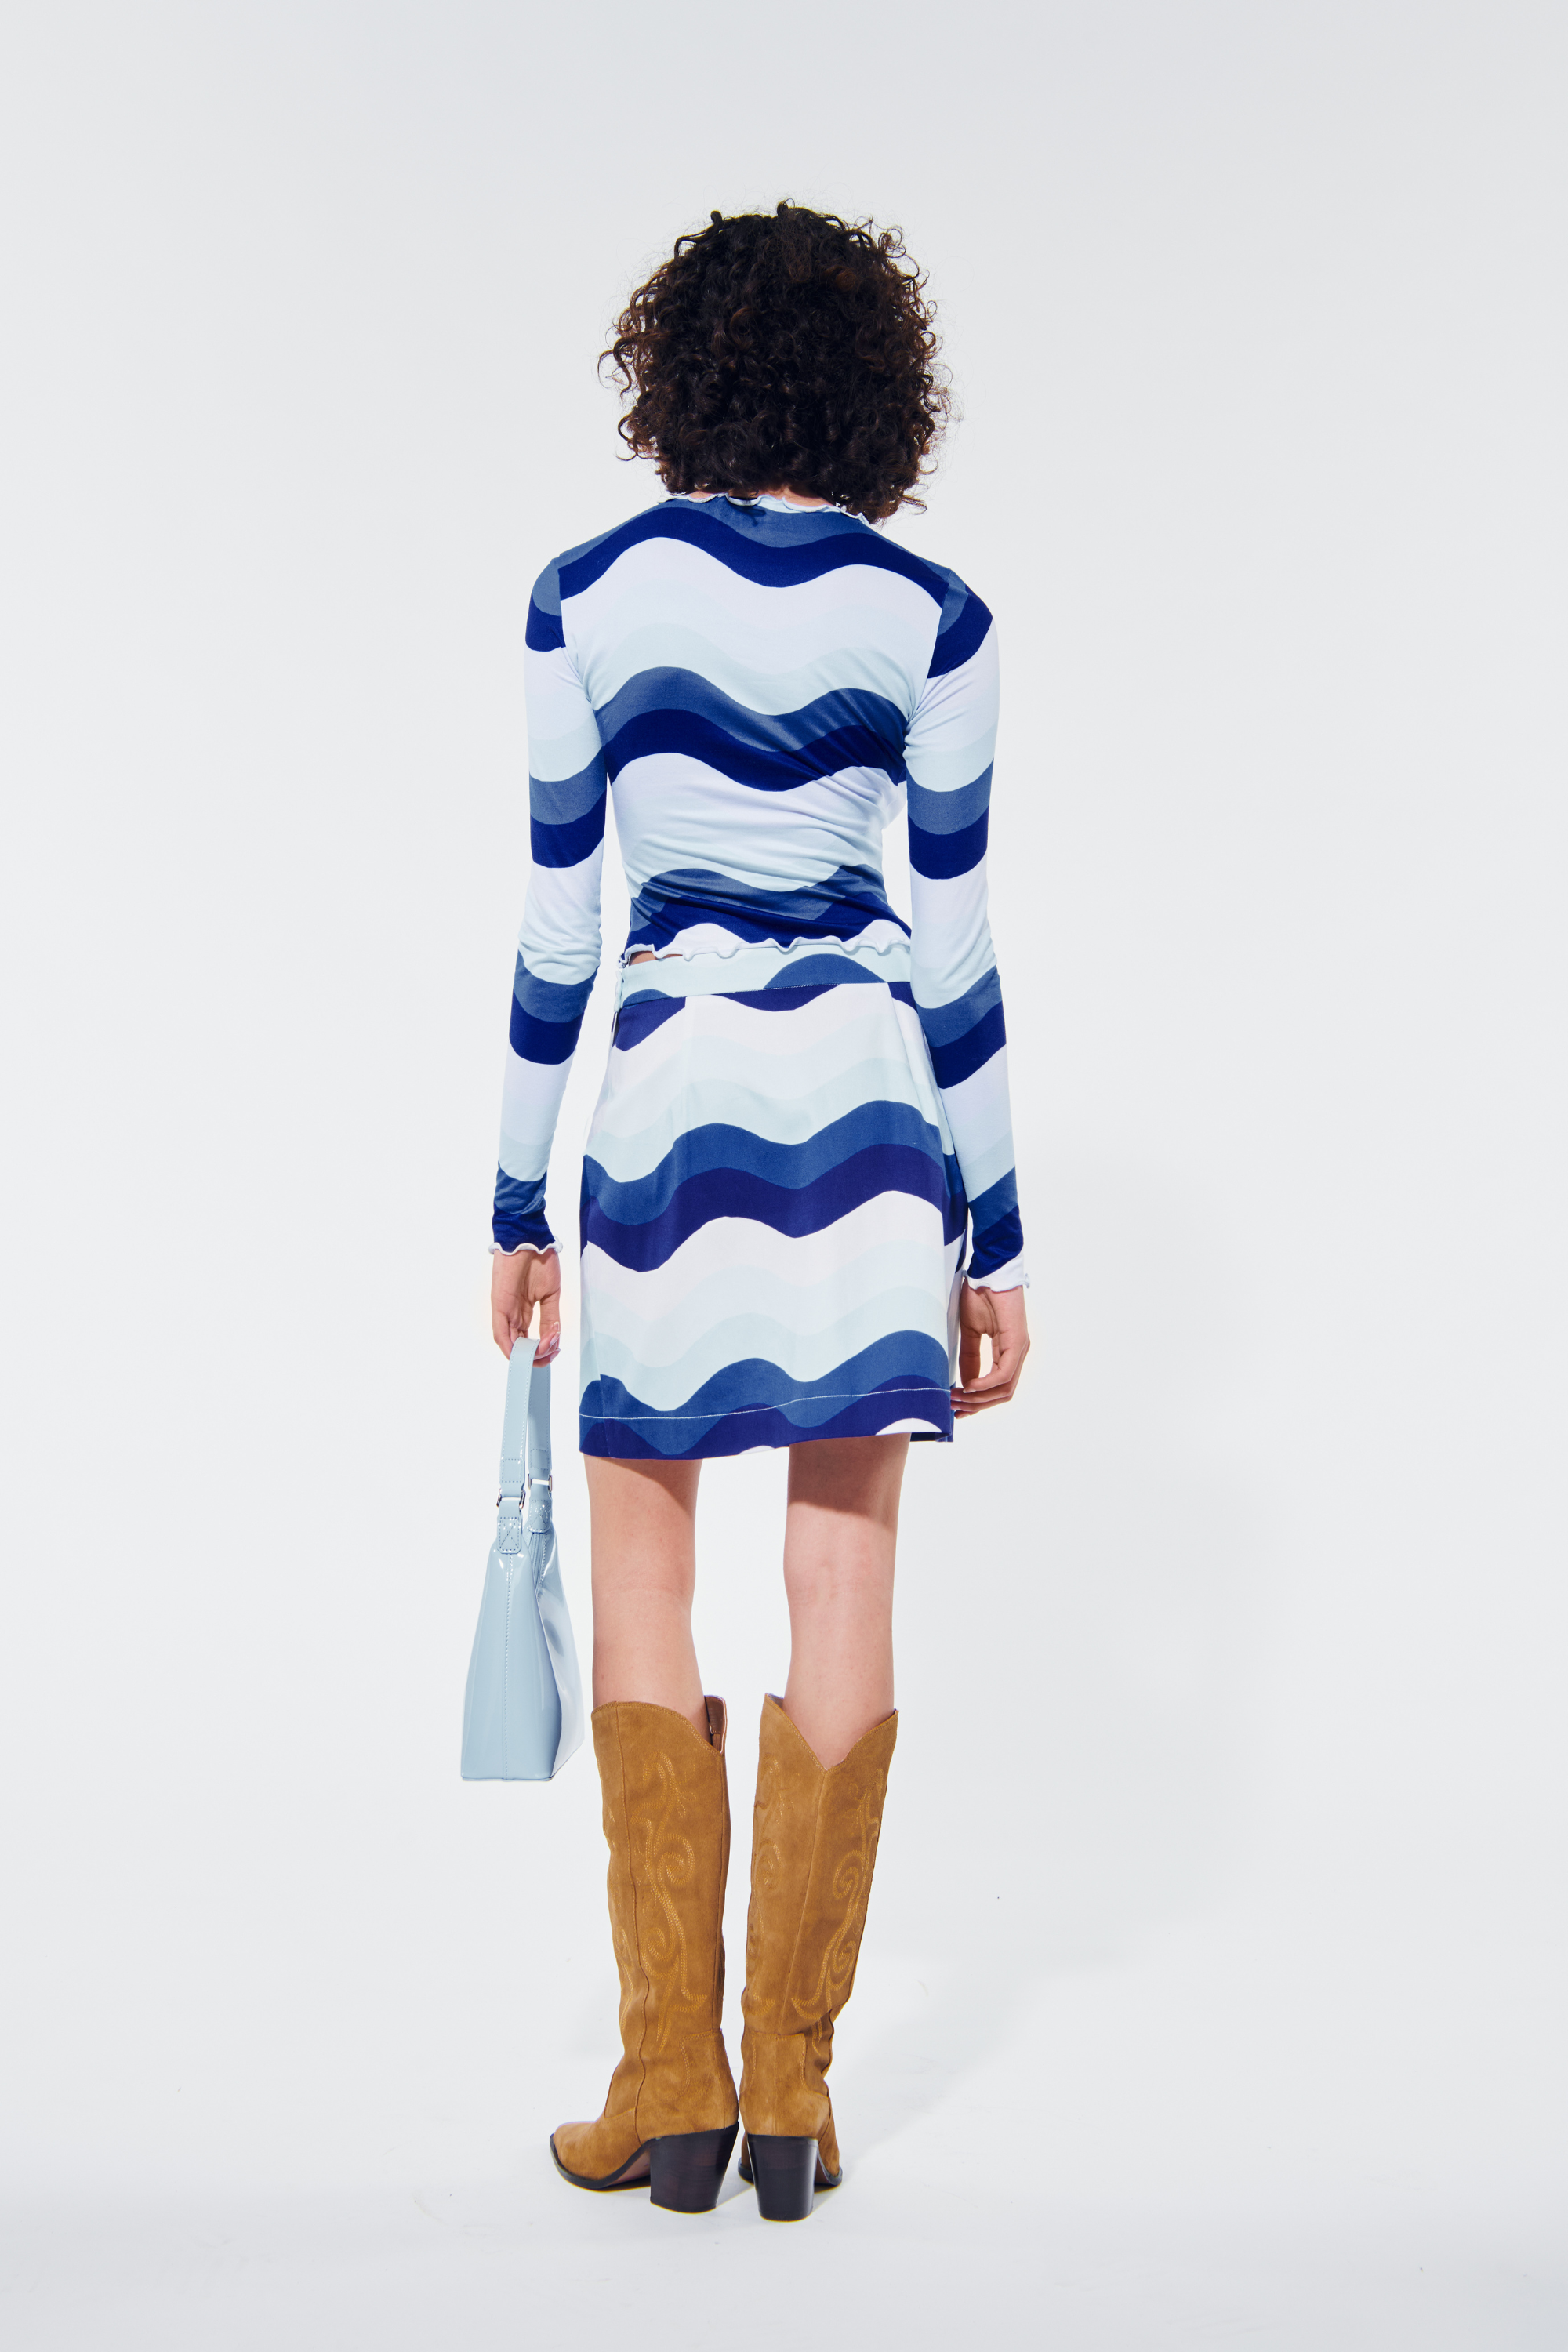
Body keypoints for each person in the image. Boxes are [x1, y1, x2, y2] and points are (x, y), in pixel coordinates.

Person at [488, 201, 1029, 2222]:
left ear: (679, 372)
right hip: (870, 1118)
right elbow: (955, 949)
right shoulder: (937, 619)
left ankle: (669, 2082)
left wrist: (513, 1197)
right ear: (885, 392)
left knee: (645, 1562)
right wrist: (996, 1237)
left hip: (672, 1110)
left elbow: (562, 927)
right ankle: (792, 2089)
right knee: (843, 1579)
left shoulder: (586, 600)